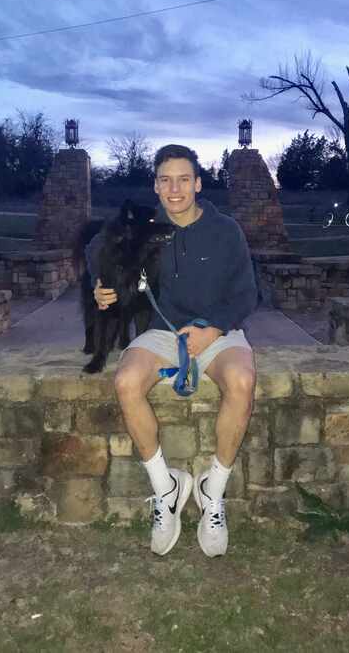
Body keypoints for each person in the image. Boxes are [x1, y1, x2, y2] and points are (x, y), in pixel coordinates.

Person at [88, 144, 257, 558]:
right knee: (126, 381)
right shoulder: (144, 228)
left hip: (219, 331)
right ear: (156, 186)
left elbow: (248, 293)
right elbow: (99, 250)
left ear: (198, 184)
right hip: (162, 332)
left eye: (183, 179)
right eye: (165, 179)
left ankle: (212, 492)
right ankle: (167, 488)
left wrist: (212, 329)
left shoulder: (226, 231)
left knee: (242, 380)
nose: (174, 188)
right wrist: (101, 285)